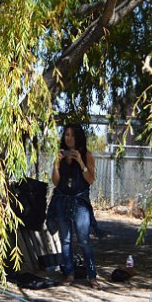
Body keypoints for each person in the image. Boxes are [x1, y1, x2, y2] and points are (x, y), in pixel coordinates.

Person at [48, 124, 101, 289]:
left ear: (78, 137)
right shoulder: (60, 155)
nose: (68, 138)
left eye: (71, 135)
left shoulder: (87, 155)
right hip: (62, 201)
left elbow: (90, 179)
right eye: (66, 135)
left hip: (80, 203)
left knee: (84, 240)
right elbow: (55, 181)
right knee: (66, 240)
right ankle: (68, 274)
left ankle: (91, 275)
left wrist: (80, 162)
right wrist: (57, 164)